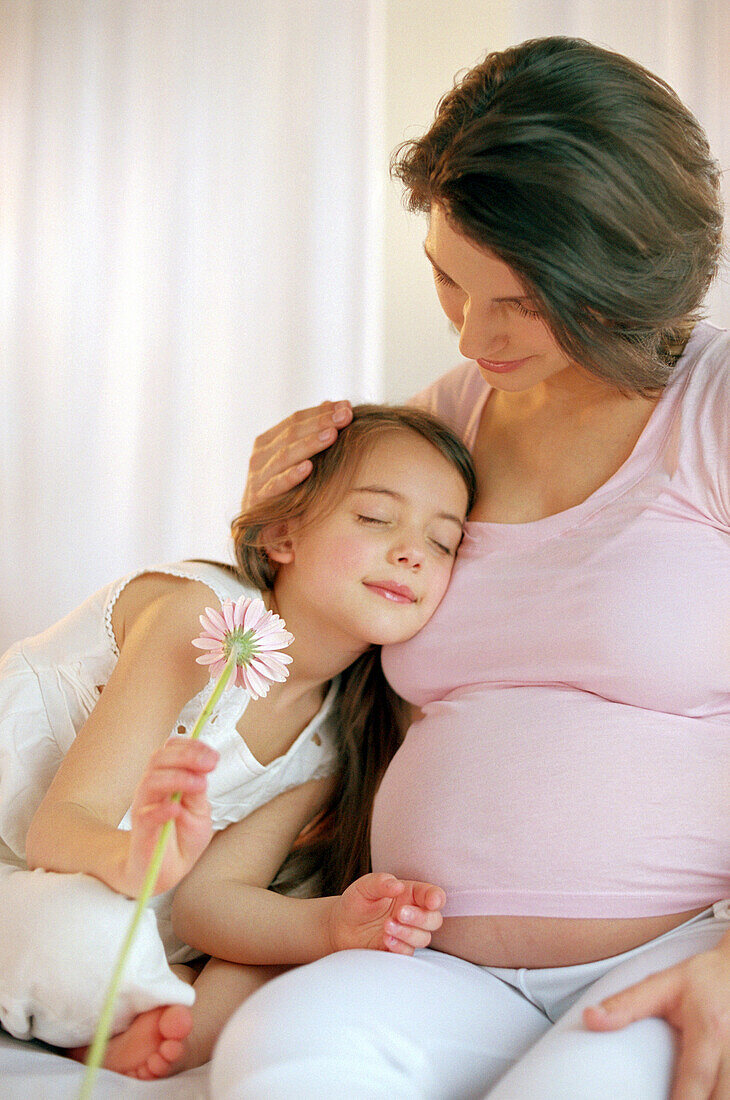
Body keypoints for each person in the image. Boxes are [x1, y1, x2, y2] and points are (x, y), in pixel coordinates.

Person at [209, 36, 730, 1100]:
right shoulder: (440, 425)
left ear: (620, 272)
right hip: (439, 964)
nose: (472, 331)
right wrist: (272, 525)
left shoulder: (708, 407)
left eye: (524, 301)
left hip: (673, 955)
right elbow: (312, 659)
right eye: (449, 279)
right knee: (276, 1060)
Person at [0, 404, 476, 1079]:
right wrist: (140, 865)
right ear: (284, 534)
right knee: (78, 936)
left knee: (275, 957)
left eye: (443, 541)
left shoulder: (331, 743)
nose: (411, 552)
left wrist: (334, 926)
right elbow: (57, 828)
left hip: (123, 905)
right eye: (375, 518)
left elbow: (208, 904)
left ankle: (159, 1035)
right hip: (31, 857)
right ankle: (114, 1013)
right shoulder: (203, 624)